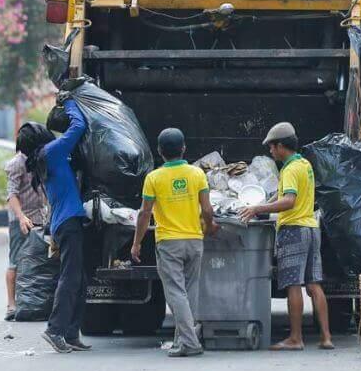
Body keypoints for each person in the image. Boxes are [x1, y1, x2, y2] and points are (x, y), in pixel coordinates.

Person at [239, 122, 334, 351]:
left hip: (294, 230)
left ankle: (295, 338)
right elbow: (285, 195)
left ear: (281, 146)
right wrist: (264, 202)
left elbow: (289, 200)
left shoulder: (290, 169)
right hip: (311, 228)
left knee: (293, 285)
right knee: (314, 285)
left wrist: (257, 210)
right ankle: (326, 337)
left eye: (272, 147)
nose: (270, 152)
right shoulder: (304, 164)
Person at [131, 128, 217, 358]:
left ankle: (190, 342)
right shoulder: (197, 174)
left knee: (176, 293)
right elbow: (207, 209)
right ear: (184, 148)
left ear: (159, 151)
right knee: (190, 291)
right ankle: (182, 341)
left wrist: (136, 243)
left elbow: (144, 213)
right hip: (194, 240)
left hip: (169, 242)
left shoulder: (153, 178)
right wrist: (208, 227)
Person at [16, 100, 89, 354]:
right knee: (70, 279)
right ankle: (55, 330)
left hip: (64, 221)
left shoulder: (43, 158)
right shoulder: (51, 152)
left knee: (79, 280)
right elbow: (78, 126)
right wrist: (70, 101)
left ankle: (70, 333)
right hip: (68, 222)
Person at [4, 150, 49, 321]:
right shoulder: (16, 163)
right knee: (15, 261)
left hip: (39, 218)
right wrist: (22, 217)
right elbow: (12, 194)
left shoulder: (38, 160)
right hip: (20, 221)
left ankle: (36, 303)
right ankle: (11, 305)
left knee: (38, 261)